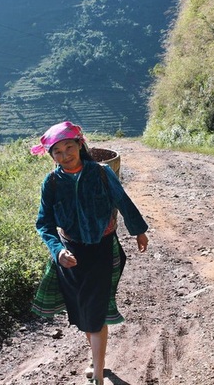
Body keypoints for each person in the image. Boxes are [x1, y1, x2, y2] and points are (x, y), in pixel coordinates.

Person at [30, 121, 149, 385]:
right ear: (51, 156)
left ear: (80, 145)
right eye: (57, 152)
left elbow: (123, 202)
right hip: (70, 253)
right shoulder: (51, 183)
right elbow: (44, 223)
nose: (64, 155)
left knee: (93, 313)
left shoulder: (102, 173)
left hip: (101, 249)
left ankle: (97, 374)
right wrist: (58, 250)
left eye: (69, 147)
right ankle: (97, 362)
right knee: (84, 312)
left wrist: (138, 230)